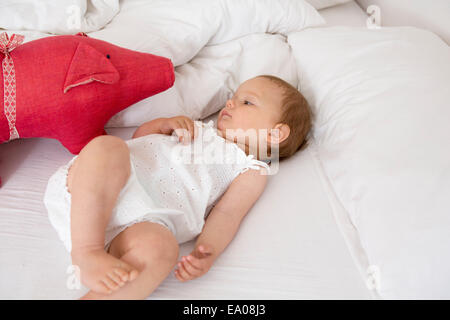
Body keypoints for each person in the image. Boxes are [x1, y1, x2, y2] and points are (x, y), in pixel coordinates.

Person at [43, 75, 312, 299]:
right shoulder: (198, 128)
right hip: (93, 190)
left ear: (275, 134)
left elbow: (227, 215)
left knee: (163, 250)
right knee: (109, 147)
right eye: (235, 96)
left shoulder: (250, 170)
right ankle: (86, 252)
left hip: (139, 224)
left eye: (247, 102)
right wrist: (163, 125)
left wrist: (206, 252)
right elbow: (140, 142)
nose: (230, 102)